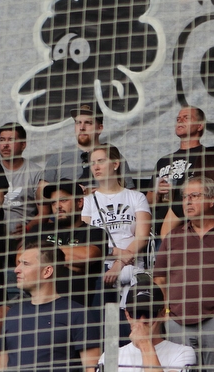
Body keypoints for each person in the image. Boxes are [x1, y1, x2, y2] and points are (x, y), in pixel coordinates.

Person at [152, 177, 214, 368]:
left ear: (212, 200)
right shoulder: (172, 237)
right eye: (184, 197)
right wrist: (166, 312)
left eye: (194, 196)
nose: (187, 201)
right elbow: (159, 277)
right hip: (177, 323)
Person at [0, 239, 101, 372]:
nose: (17, 270)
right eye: (18, 264)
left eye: (25, 264)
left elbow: (91, 369)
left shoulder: (77, 314)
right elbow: (1, 367)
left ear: (47, 271)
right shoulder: (13, 313)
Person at [80, 145, 151, 303]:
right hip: (100, 269)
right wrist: (117, 253)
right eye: (92, 163)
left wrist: (120, 263)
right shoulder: (88, 201)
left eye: (101, 161)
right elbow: (85, 240)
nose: (96, 167)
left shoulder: (136, 197)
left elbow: (142, 237)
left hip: (132, 268)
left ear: (115, 164)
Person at [29, 181, 108, 307]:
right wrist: (71, 263)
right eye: (54, 202)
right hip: (37, 308)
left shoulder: (95, 232)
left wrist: (43, 256)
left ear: (80, 203)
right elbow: (21, 259)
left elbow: (88, 256)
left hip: (75, 308)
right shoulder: (39, 230)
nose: (57, 206)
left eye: (63, 200)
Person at [98, 281, 196, 372]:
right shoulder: (110, 356)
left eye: (149, 313)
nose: (142, 320)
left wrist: (144, 344)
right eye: (136, 314)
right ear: (128, 315)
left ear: (162, 314)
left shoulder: (183, 353)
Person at [153, 105, 214, 235]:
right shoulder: (163, 161)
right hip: (160, 232)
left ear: (200, 125)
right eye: (178, 118)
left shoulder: (208, 156)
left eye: (186, 118)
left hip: (193, 232)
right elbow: (149, 200)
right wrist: (157, 193)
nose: (180, 121)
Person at [0, 121, 45, 236]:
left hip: (23, 238)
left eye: (11, 140)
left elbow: (44, 213)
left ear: (23, 145)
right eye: (2, 140)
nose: (5, 145)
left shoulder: (36, 173)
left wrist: (28, 228)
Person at [43, 103, 102, 190]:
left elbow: (128, 196)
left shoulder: (114, 157)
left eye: (88, 123)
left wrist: (101, 192)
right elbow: (41, 196)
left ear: (100, 128)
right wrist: (71, 191)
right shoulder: (58, 157)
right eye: (78, 122)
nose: (81, 127)